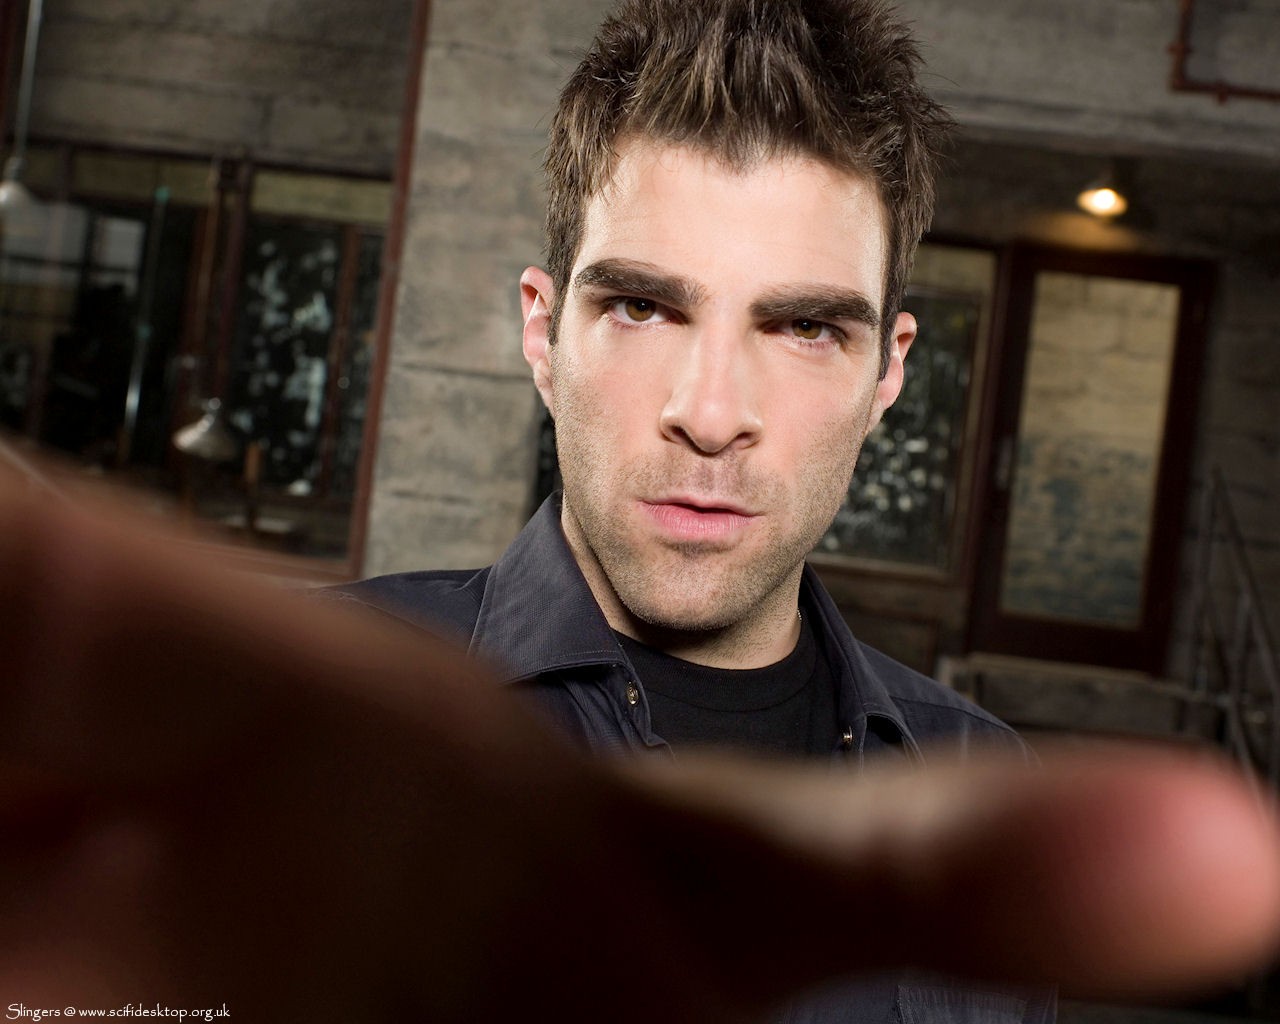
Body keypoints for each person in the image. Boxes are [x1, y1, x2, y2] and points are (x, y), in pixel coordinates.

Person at [3, 0, 1280, 1020]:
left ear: (887, 373)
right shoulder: (293, 732)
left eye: (801, 327)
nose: (708, 412)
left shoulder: (979, 783)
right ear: (542, 332)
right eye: (642, 306)